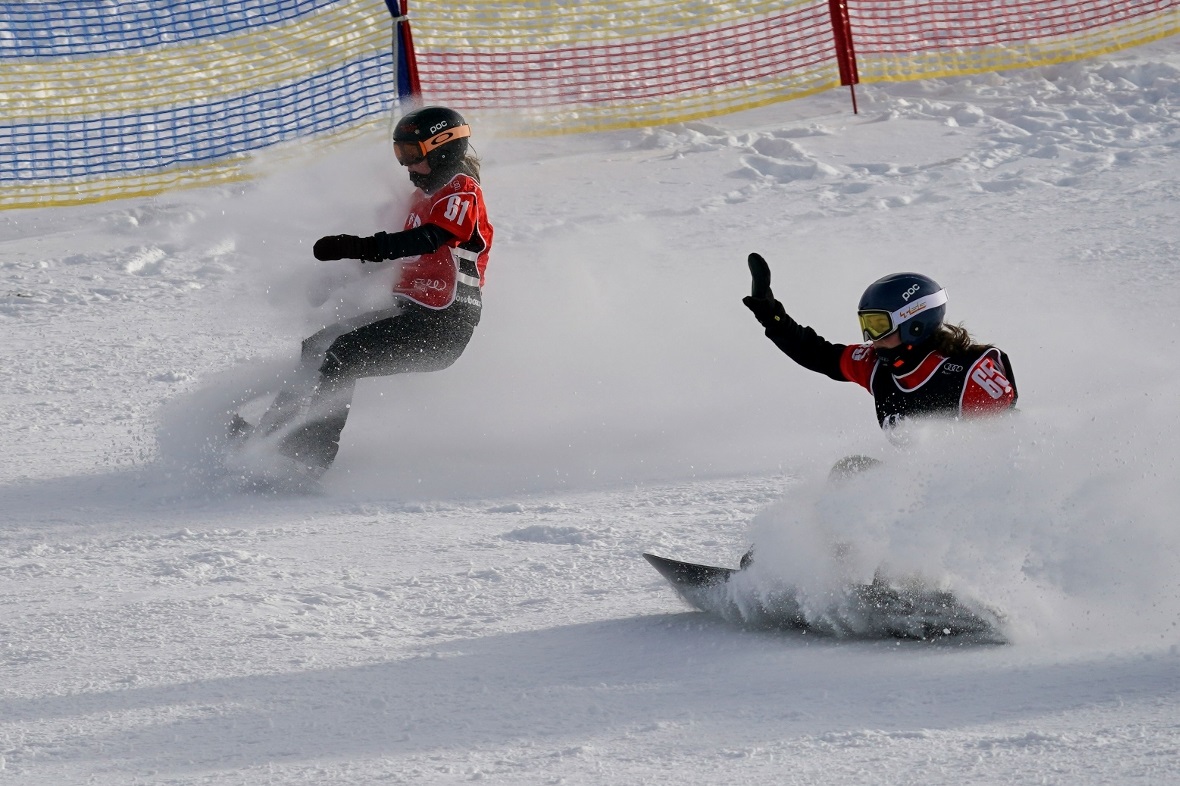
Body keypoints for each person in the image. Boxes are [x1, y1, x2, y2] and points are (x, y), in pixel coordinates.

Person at [235, 106, 493, 477]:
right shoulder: (420, 201)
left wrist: (358, 245)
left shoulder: (461, 192)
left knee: (344, 354)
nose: (406, 166)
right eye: (400, 154)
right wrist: (338, 278)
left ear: (442, 150)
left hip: (443, 326)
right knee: (318, 345)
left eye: (412, 155)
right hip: (415, 316)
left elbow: (428, 239)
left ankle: (309, 454)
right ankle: (268, 436)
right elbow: (392, 254)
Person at [741, 252, 1016, 435]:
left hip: (973, 495)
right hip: (916, 490)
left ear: (914, 324)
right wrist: (772, 317)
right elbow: (818, 354)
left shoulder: (968, 376)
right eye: (867, 325)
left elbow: (1010, 441)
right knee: (851, 473)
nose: (872, 336)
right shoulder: (876, 366)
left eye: (880, 325)